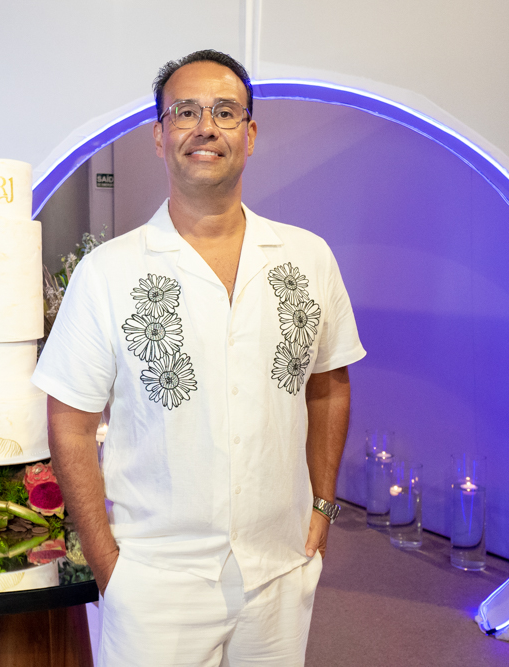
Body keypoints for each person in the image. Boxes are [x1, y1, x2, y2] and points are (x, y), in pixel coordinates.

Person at [31, 49, 366, 666]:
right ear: (159, 137)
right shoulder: (108, 273)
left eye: (225, 112)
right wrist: (107, 565)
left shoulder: (308, 258)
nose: (205, 127)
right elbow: (70, 422)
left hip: (280, 567)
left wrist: (321, 510)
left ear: (251, 134)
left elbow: (328, 385)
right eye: (185, 112)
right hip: (155, 580)